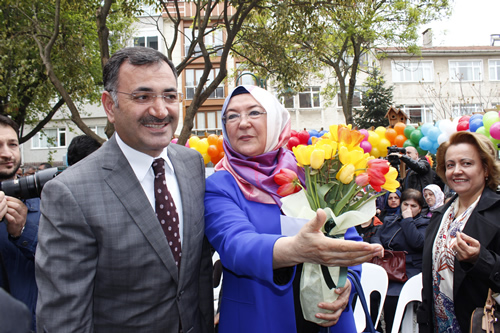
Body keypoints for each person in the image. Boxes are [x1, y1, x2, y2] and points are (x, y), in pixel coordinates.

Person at [35, 47, 213, 333]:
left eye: (169, 96)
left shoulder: (192, 164)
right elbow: (63, 320)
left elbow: (198, 269)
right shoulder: (70, 194)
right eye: (143, 97)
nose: (160, 110)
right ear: (109, 106)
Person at [204, 85, 383, 333]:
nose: (242, 123)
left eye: (255, 112)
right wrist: (298, 250)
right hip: (259, 320)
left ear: (277, 119)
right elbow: (236, 246)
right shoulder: (220, 184)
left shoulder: (309, 172)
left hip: (327, 319)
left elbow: (346, 238)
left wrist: (349, 283)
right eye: (232, 116)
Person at [417, 131, 500, 333]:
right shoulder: (439, 215)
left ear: (486, 168)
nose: (456, 171)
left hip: (480, 325)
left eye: (467, 163)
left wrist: (480, 259)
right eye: (450, 165)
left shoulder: (497, 212)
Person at [0, 115, 41, 331]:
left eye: (12, 144)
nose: (6, 153)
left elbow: (65, 263)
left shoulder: (47, 204)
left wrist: (23, 232)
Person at [371, 188, 430, 333]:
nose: (408, 209)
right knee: (372, 294)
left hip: (408, 269)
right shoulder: (390, 220)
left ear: (420, 208)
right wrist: (378, 244)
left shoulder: (424, 223)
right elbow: (377, 235)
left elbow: (417, 242)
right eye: (406, 205)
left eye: (413, 206)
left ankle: (394, 329)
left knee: (392, 299)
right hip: (388, 265)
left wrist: (408, 220)